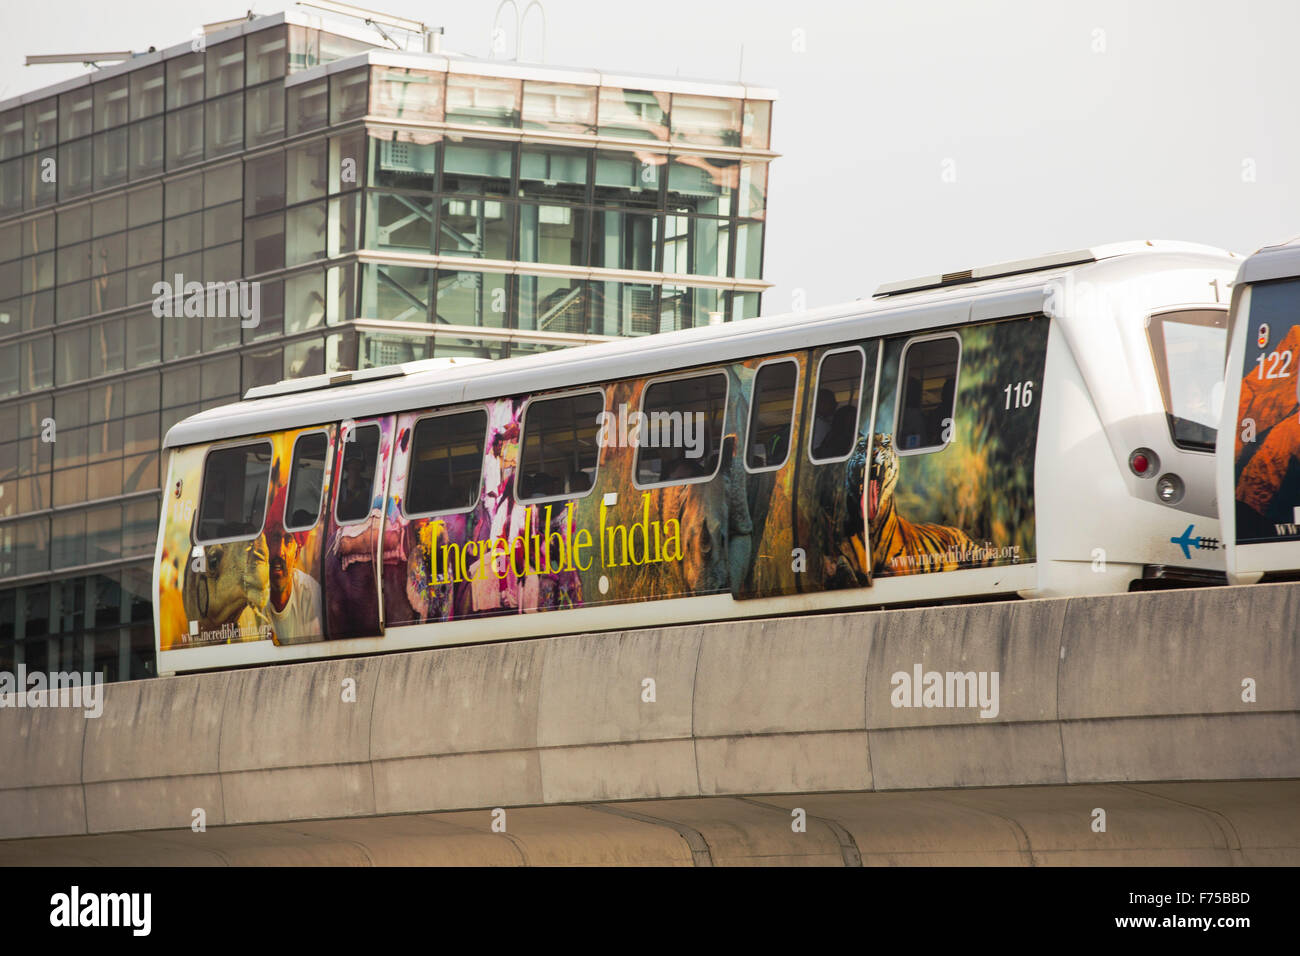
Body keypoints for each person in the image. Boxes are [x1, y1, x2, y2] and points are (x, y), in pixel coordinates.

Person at [266, 524, 323, 643]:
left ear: (296, 554)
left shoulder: (310, 593)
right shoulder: (255, 594)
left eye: (288, 541)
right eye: (275, 539)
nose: (279, 552)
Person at [338, 450, 371, 520]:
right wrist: (354, 495)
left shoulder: (368, 485)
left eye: (357, 464)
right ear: (347, 466)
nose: (354, 467)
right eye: (351, 464)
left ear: (361, 466)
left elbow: (373, 508)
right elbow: (337, 510)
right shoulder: (340, 486)